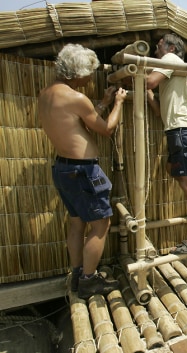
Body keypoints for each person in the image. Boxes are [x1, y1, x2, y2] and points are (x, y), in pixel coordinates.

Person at [38, 43, 127, 299]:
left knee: (77, 223)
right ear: (77, 72)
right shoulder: (76, 97)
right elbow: (107, 128)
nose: (91, 77)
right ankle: (89, 281)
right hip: (84, 171)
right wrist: (118, 103)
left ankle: (77, 273)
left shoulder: (46, 94)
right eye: (89, 72)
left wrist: (101, 103)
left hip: (64, 169)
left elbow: (75, 124)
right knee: (100, 224)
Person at [146, 33, 187, 255]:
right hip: (181, 129)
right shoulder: (174, 71)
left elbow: (150, 80)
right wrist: (149, 95)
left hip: (182, 130)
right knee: (173, 169)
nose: (155, 51)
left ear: (171, 48)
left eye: (158, 46)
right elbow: (159, 112)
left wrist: (135, 77)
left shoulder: (171, 60)